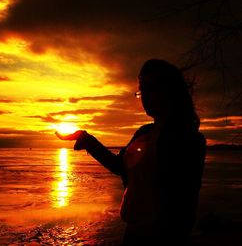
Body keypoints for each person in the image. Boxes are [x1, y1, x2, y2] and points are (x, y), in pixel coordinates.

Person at [56, 59, 206, 245]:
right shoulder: (144, 133)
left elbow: (185, 197)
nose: (144, 96)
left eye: (151, 87)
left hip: (165, 238)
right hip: (133, 234)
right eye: (142, 89)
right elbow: (120, 166)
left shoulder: (188, 139)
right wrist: (87, 140)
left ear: (170, 90)